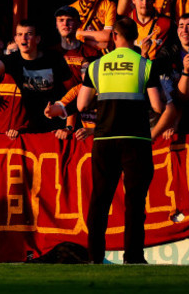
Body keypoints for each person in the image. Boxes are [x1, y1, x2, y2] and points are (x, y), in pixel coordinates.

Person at [77, 17, 164, 264]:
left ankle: (94, 256)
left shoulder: (96, 65)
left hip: (104, 138)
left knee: (100, 199)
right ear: (135, 36)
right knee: (135, 200)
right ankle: (133, 256)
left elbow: (81, 104)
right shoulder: (145, 65)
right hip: (136, 138)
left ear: (114, 36)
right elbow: (158, 106)